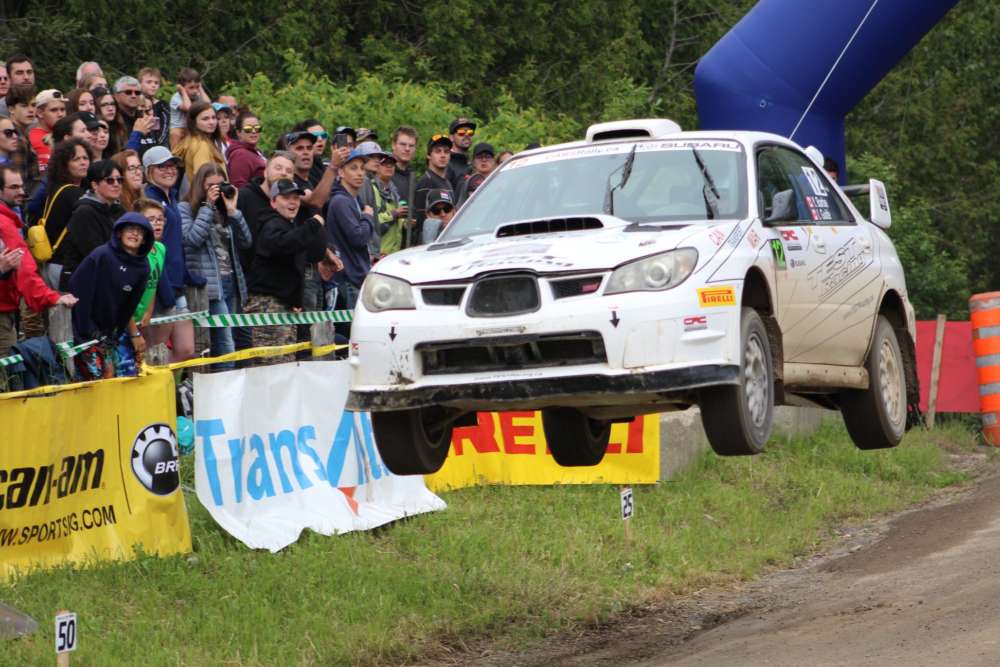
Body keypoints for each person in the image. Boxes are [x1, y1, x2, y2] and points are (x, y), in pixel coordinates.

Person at [245, 179, 326, 362]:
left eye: (296, 198)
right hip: (267, 306)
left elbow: (311, 252)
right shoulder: (271, 223)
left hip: (285, 306)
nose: (292, 202)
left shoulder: (291, 226)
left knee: (285, 364)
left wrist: (294, 299)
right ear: (273, 202)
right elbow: (284, 244)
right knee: (271, 365)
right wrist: (312, 225)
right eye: (286, 197)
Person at [179, 163, 251, 368]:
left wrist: (233, 211)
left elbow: (247, 242)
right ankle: (224, 393)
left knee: (236, 342)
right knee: (225, 344)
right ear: (200, 185)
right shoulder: (185, 208)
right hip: (209, 288)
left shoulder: (225, 210)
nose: (216, 190)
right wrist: (207, 207)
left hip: (231, 285)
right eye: (211, 185)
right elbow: (192, 239)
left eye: (221, 185)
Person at [1, 166, 78, 357]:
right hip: (2, 314)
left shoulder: (8, 220)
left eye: (21, 186)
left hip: (7, 310)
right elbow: (25, 270)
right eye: (14, 187)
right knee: (8, 377)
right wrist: (52, 297)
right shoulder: (4, 224)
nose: (21, 192)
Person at [68, 212, 152, 379]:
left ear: (145, 240)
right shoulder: (102, 255)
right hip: (83, 330)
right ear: (119, 233)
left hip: (109, 334)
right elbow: (78, 289)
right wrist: (88, 330)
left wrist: (116, 333)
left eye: (140, 232)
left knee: (114, 375)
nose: (134, 234)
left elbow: (129, 306)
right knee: (93, 377)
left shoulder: (143, 268)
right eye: (130, 229)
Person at [142, 146, 196, 362]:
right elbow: (152, 249)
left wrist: (188, 275)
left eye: (172, 165)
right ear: (149, 171)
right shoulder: (149, 199)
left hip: (177, 284)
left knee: (186, 349)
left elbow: (176, 242)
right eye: (161, 166)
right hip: (159, 288)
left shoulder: (172, 196)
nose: (169, 170)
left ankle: (169, 389)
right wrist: (163, 289)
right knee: (154, 351)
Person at [56, 159, 125, 290]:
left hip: (108, 280)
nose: (116, 184)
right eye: (110, 180)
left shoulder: (119, 210)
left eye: (120, 180)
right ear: (94, 185)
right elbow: (95, 252)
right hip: (83, 284)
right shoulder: (84, 212)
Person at [326, 150, 373, 308]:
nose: (360, 173)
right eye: (353, 168)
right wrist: (368, 217)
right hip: (348, 280)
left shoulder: (354, 200)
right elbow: (358, 238)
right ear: (340, 172)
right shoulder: (341, 201)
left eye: (362, 168)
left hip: (356, 278)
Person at [129, 197, 174, 365]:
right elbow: (124, 296)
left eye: (161, 219)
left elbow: (153, 285)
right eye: (151, 219)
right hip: (126, 317)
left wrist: (149, 312)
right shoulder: (135, 253)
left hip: (142, 317)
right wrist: (133, 328)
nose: (158, 224)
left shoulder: (160, 248)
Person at [40, 139, 90, 284]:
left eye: (85, 158)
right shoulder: (72, 193)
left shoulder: (57, 189)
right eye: (76, 159)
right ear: (64, 165)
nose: (83, 162)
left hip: (53, 264)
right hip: (64, 266)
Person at [355, 142, 404, 257]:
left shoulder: (392, 189)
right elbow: (362, 220)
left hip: (380, 251)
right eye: (372, 157)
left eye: (378, 157)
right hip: (366, 251)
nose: (377, 160)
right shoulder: (364, 182)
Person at [173, 101, 227, 188]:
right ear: (194, 122)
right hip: (209, 198)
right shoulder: (201, 145)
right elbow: (203, 180)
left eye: (214, 117)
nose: (212, 122)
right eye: (205, 119)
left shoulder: (195, 141)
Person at [413, 133, 454, 239]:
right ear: (428, 155)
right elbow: (421, 222)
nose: (443, 155)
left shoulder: (447, 182)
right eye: (438, 151)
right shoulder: (426, 182)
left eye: (446, 151)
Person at [4, 85, 39, 194]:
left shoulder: (20, 134)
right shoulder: (17, 139)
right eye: (24, 106)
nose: (31, 110)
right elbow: (18, 183)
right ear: (11, 109)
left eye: (33, 105)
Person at [28, 89, 66, 173]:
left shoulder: (67, 136)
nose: (60, 114)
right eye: (54, 110)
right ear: (39, 113)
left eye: (62, 109)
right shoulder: (34, 140)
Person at [226, 110, 265, 188]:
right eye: (248, 129)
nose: (254, 131)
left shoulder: (254, 151)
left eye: (257, 128)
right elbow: (238, 186)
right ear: (238, 132)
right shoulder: (240, 154)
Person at [169, 68, 206, 148]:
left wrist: (201, 89)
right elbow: (189, 108)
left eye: (197, 87)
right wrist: (182, 91)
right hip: (178, 129)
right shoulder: (176, 98)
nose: (195, 91)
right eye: (191, 88)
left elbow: (207, 105)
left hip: (190, 129)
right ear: (181, 87)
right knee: (176, 133)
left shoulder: (196, 96)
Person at [137, 67, 170, 150]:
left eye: (156, 83)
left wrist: (157, 145)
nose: (153, 85)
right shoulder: (134, 103)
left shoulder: (162, 105)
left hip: (158, 144)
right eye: (149, 82)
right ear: (140, 84)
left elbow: (165, 128)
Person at [446, 117, 476, 189]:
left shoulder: (473, 163)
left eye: (470, 132)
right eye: (461, 132)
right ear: (451, 138)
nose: (466, 135)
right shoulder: (446, 162)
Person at [390, 125, 417, 199]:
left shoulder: (413, 177)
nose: (407, 149)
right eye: (403, 144)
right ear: (393, 145)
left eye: (411, 146)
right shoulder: (384, 173)